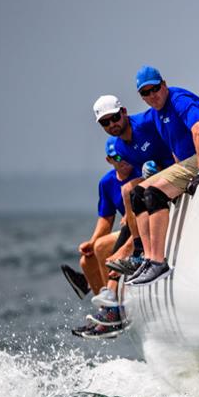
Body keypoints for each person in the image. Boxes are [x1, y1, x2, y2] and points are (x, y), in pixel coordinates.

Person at [126, 65, 199, 285]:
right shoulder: (155, 114)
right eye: (146, 92)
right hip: (192, 161)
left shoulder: (179, 99)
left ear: (164, 84)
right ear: (141, 96)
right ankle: (148, 258)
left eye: (155, 89)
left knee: (154, 194)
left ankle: (158, 262)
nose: (152, 95)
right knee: (136, 194)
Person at [92, 94, 175, 273]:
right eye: (105, 123)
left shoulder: (145, 122)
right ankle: (139, 250)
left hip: (177, 168)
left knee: (133, 190)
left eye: (114, 118)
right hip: (159, 177)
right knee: (128, 190)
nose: (112, 124)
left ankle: (137, 252)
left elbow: (171, 124)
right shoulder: (120, 147)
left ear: (123, 112)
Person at [71, 138, 139, 339]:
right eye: (117, 157)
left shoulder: (139, 173)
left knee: (101, 247)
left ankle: (113, 311)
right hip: (126, 230)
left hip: (139, 228)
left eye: (125, 155)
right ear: (109, 160)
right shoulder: (107, 182)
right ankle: (106, 311)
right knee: (87, 259)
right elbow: (106, 219)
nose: (123, 160)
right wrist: (90, 242)